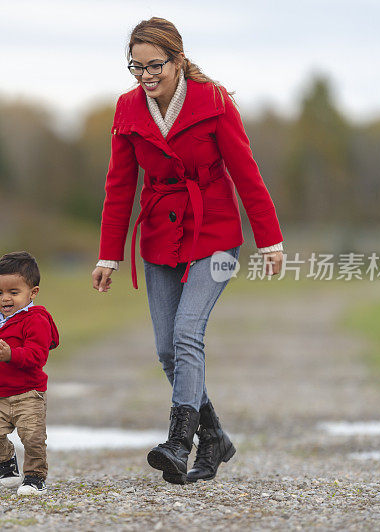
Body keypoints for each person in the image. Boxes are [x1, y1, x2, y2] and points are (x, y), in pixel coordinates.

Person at [91, 17, 285, 484]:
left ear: (178, 60)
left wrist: (270, 238)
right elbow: (120, 187)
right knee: (166, 350)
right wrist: (107, 254)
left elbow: (246, 172)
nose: (145, 76)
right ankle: (214, 435)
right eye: (136, 68)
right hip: (159, 238)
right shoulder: (127, 109)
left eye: (154, 65)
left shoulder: (213, 101)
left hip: (215, 235)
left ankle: (180, 442)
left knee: (186, 334)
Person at [0, 251, 60, 495]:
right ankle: (6, 459)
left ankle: (34, 477)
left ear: (33, 292)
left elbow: (37, 356)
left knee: (32, 437)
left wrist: (12, 355)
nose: (5, 299)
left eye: (13, 292)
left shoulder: (36, 320)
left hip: (28, 393)